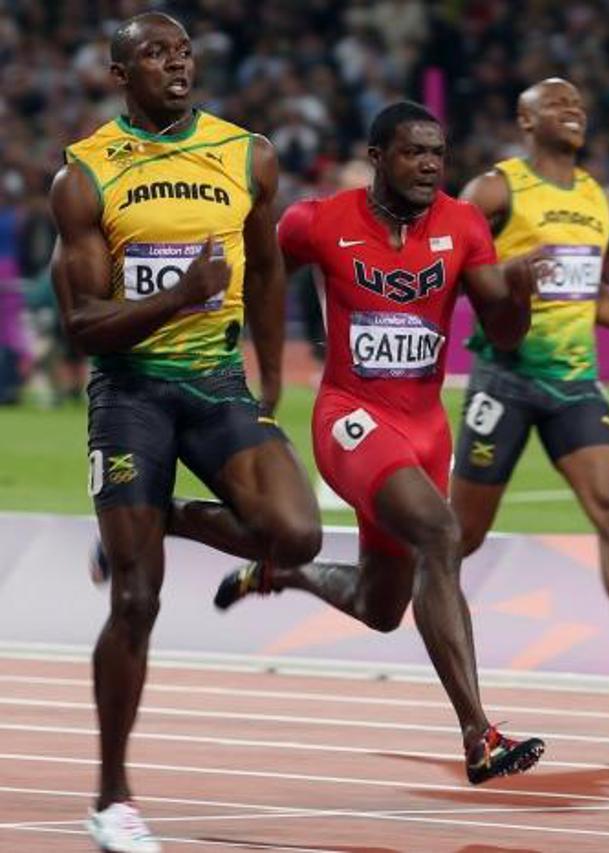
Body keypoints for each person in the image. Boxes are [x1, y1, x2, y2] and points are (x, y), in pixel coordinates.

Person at [212, 102, 546, 786]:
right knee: (441, 534)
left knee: (381, 607)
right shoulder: (319, 219)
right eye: (413, 152)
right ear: (376, 156)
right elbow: (259, 270)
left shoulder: (464, 223)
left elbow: (504, 332)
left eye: (438, 154)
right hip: (350, 419)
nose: (429, 165)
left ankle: (287, 571)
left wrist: (518, 296)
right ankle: (479, 734)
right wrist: (253, 361)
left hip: (426, 429)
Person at [51, 13, 324, 852]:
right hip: (131, 394)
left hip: (215, 386)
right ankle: (112, 797)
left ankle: (154, 516)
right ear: (119, 73)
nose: (176, 64)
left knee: (297, 533)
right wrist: (182, 294)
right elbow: (86, 325)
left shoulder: (248, 154)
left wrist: (275, 370)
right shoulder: (86, 175)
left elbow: (269, 263)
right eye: (154, 55)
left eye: (183, 52)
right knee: (138, 598)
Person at [450, 78, 609, 703]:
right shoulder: (495, 188)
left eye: (579, 106)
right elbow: (447, 258)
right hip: (504, 380)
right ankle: (387, 585)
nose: (574, 112)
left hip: (573, 384)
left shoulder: (596, 197)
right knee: (461, 536)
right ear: (525, 120)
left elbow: (587, 291)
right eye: (557, 105)